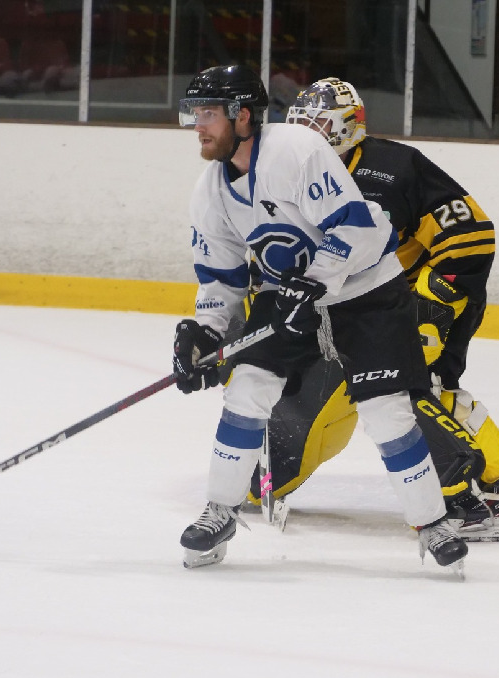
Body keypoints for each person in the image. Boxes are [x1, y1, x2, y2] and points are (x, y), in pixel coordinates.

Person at [171, 64, 467, 570]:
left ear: (243, 116)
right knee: (247, 387)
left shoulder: (296, 151)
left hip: (366, 288)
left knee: (386, 409)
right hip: (290, 292)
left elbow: (356, 228)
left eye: (208, 114)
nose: (197, 125)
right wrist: (205, 330)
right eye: (193, 114)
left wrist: (317, 280)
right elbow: (220, 278)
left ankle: (433, 524)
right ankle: (219, 511)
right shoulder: (211, 190)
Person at [222, 76, 499, 541]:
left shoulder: (395, 167)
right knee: (266, 481)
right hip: (321, 313)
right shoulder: (276, 171)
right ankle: (475, 447)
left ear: (348, 128)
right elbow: (263, 253)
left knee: (399, 386)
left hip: (396, 304)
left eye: (320, 127)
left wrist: (433, 304)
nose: (308, 138)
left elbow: (470, 235)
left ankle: (461, 497)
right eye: (301, 125)